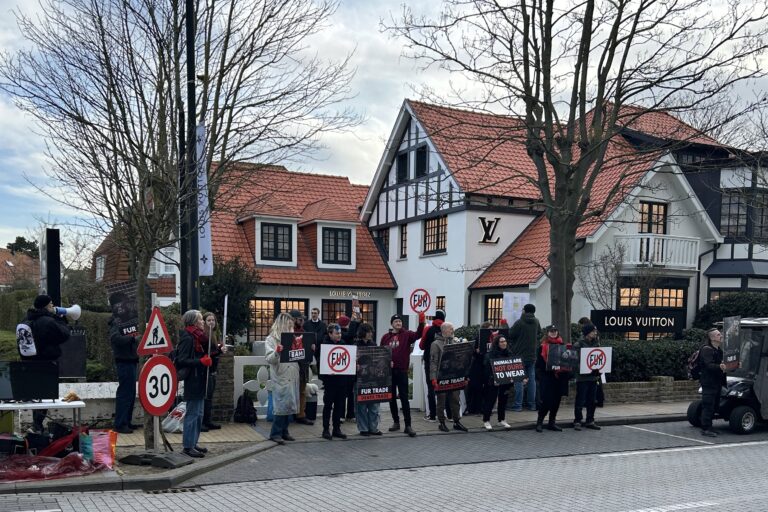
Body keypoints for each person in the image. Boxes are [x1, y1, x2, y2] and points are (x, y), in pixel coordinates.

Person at [19, 294, 71, 433]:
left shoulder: (26, 319)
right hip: (46, 363)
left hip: (29, 363)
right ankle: (37, 425)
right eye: (51, 304)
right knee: (44, 395)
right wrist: (59, 318)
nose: (53, 306)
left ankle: (36, 425)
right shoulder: (47, 321)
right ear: (46, 306)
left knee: (35, 393)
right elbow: (64, 334)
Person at [176, 310, 213, 458]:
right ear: (193, 322)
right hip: (193, 379)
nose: (203, 322)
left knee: (199, 413)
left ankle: (193, 442)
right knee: (192, 413)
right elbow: (181, 359)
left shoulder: (199, 337)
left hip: (200, 378)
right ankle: (187, 446)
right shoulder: (188, 338)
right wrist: (200, 362)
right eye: (200, 320)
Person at [380, 313, 425, 437]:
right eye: (396, 322)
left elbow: (418, 335)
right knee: (391, 397)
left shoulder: (407, 334)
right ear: (392, 324)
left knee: (404, 398)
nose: (398, 323)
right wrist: (386, 362)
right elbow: (382, 353)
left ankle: (408, 425)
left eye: (400, 321)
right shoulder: (385, 337)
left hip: (402, 371)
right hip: (390, 372)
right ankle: (396, 422)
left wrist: (421, 322)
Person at [264, 313, 301, 445]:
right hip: (281, 374)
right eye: (290, 325)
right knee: (281, 404)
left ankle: (284, 431)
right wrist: (277, 352)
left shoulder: (293, 339)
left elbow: (298, 354)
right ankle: (275, 433)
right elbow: (269, 358)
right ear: (283, 324)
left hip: (291, 372)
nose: (292, 328)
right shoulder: (271, 339)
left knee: (289, 404)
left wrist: (308, 350)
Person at [429, 322, 469, 433]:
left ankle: (456, 421)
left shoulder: (455, 342)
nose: (453, 331)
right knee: (441, 400)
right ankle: (441, 422)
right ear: (444, 330)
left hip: (454, 376)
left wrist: (464, 375)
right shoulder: (436, 344)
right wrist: (433, 378)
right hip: (441, 377)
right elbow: (433, 362)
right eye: (451, 329)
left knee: (455, 399)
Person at [109, 295, 139, 434]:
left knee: (131, 393)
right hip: (124, 360)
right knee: (125, 393)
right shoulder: (116, 322)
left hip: (131, 359)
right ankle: (120, 423)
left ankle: (126, 421)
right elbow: (115, 339)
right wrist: (132, 339)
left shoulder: (127, 320)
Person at [535, 325, 570, 433]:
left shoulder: (563, 346)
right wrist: (549, 367)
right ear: (547, 333)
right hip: (548, 377)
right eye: (551, 331)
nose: (553, 333)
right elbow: (539, 364)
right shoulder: (542, 346)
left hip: (559, 378)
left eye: (555, 331)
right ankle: (539, 422)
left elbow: (567, 361)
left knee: (556, 401)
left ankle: (552, 422)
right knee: (546, 401)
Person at [482, 333, 520, 431]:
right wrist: (493, 379)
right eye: (501, 342)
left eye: (505, 341)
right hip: (494, 381)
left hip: (505, 381)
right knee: (490, 400)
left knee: (503, 400)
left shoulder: (509, 353)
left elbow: (512, 366)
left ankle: (501, 419)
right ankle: (486, 420)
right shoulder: (490, 355)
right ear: (497, 343)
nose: (504, 343)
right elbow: (487, 369)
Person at [319, 323, 349, 440]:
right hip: (330, 381)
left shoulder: (343, 344)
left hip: (341, 380)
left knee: (339, 406)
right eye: (337, 333)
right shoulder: (324, 345)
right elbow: (320, 362)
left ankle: (337, 429)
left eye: (340, 333)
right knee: (328, 406)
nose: (339, 335)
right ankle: (326, 429)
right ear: (330, 334)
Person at [509, 304, 541, 411]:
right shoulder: (536, 322)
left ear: (524, 310)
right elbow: (539, 333)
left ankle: (518, 405)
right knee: (531, 380)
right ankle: (532, 404)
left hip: (519, 355)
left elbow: (510, 334)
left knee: (518, 380)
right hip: (532, 355)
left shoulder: (519, 322)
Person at [354, 322, 382, 436]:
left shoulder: (374, 344)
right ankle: (363, 429)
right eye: (368, 332)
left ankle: (373, 428)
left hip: (372, 378)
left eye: (371, 331)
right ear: (363, 333)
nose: (371, 334)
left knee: (374, 404)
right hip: (360, 379)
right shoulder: (355, 345)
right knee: (361, 405)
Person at [573, 323, 601, 431]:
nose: (595, 333)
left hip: (593, 377)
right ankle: (578, 420)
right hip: (582, 377)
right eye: (593, 331)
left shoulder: (596, 343)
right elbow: (574, 361)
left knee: (592, 400)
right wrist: (582, 368)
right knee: (580, 399)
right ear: (587, 333)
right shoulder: (578, 344)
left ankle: (590, 420)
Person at [699, 328, 726, 437]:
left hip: (717, 382)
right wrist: (720, 366)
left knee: (714, 405)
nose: (721, 336)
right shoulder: (707, 350)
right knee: (708, 405)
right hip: (709, 382)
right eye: (719, 335)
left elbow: (722, 365)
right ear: (713, 338)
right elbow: (708, 365)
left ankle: (709, 427)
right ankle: (705, 428)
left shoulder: (718, 350)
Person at [289, 309, 314, 426]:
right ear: (293, 319)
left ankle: (301, 415)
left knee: (302, 391)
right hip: (290, 366)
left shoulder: (303, 331)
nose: (302, 321)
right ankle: (288, 415)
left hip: (302, 365)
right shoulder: (287, 331)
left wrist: (312, 347)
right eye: (300, 319)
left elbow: (307, 347)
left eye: (303, 319)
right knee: (289, 391)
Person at [419, 309, 445, 421]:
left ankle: (433, 415)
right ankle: (447, 414)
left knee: (431, 388)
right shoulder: (446, 329)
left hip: (430, 361)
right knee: (445, 387)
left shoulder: (428, 329)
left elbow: (421, 346)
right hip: (444, 361)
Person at [201, 312, 224, 432]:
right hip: (207, 371)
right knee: (206, 397)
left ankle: (208, 420)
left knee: (209, 397)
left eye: (213, 320)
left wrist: (219, 349)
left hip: (213, 370)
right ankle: (203, 422)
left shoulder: (214, 335)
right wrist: (219, 351)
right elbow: (208, 353)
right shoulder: (205, 336)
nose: (211, 322)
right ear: (204, 322)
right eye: (209, 320)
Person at [338, 313, 361, 420]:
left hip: (349, 365)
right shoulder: (342, 334)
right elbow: (351, 335)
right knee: (343, 392)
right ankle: (342, 414)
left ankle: (350, 414)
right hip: (345, 365)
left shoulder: (344, 333)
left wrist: (356, 321)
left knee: (350, 392)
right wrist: (353, 322)